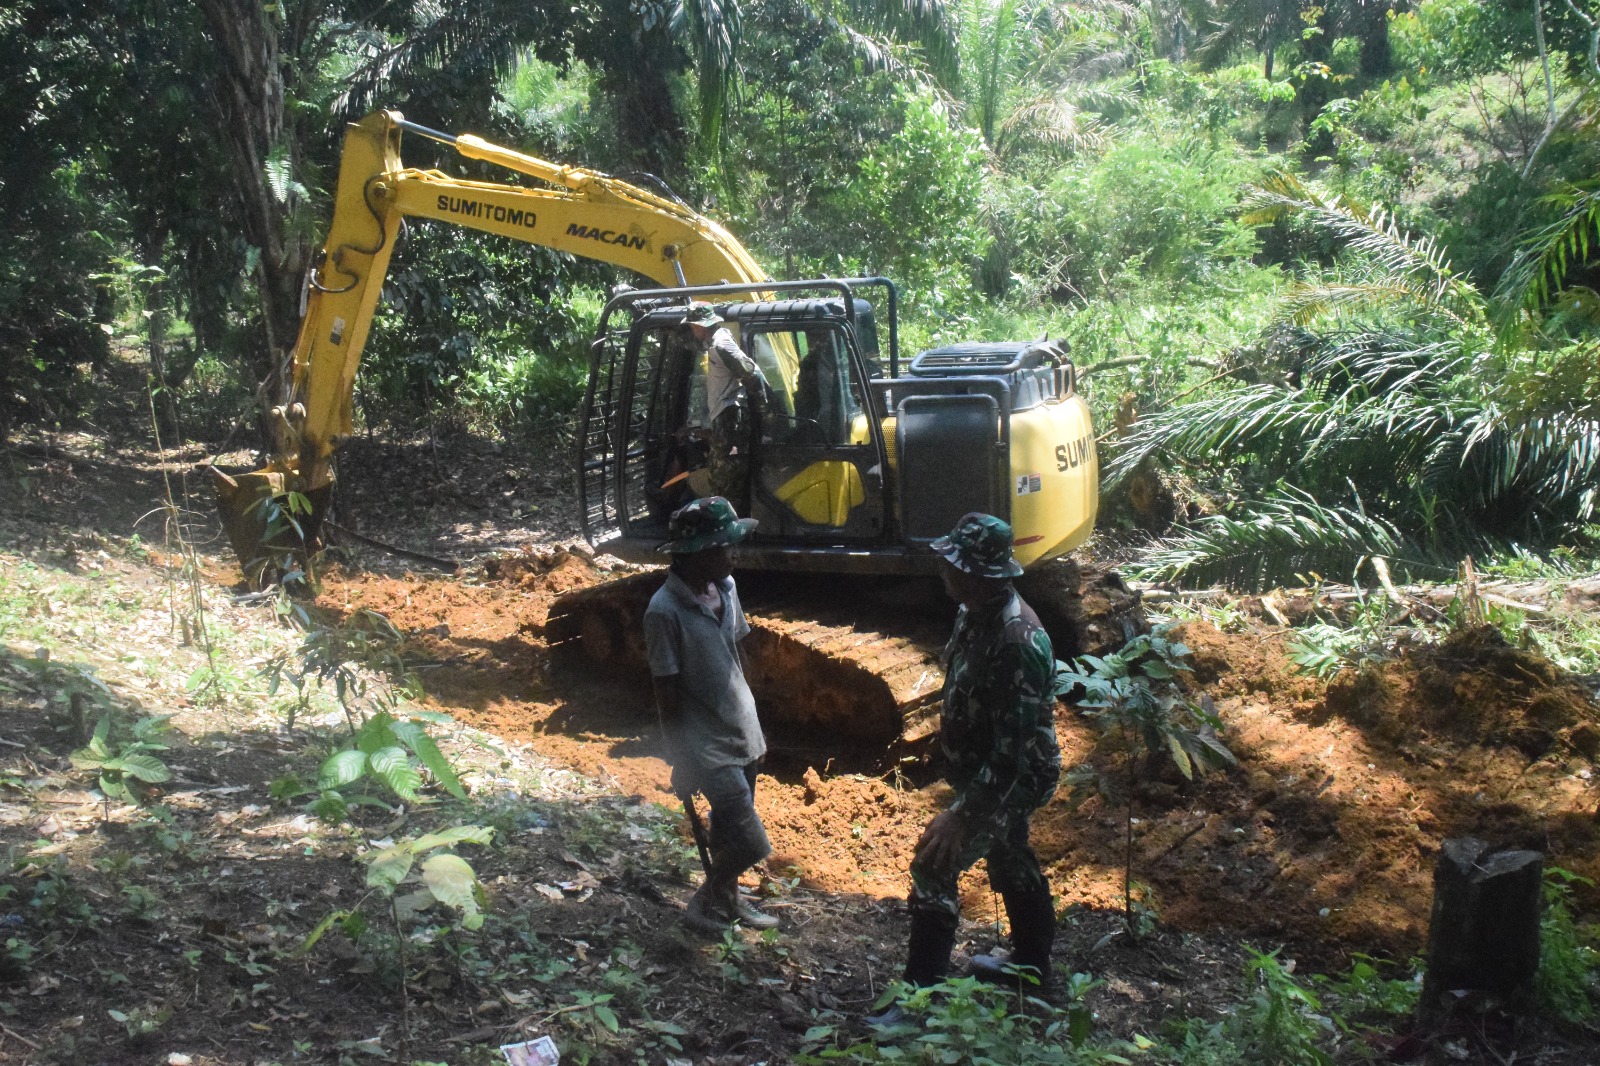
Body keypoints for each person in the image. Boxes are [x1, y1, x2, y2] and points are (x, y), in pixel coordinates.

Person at [872, 513, 1062, 1022]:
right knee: (1010, 852)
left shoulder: (1017, 642)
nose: (942, 569)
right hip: (987, 769)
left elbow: (1014, 754)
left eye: (952, 562)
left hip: (1012, 776)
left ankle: (919, 1003)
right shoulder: (974, 611)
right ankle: (1030, 967)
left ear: (982, 574)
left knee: (933, 864)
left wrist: (961, 815)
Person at [642, 495, 779, 932]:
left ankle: (728, 901)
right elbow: (666, 692)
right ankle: (702, 903)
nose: (734, 553)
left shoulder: (727, 589)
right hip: (706, 743)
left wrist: (753, 718)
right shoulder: (663, 612)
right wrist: (678, 756)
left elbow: (737, 651)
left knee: (726, 830)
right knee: (751, 842)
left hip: (741, 731)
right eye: (725, 545)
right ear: (697, 552)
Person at [683, 303, 770, 508]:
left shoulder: (721, 345)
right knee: (720, 481)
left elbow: (752, 374)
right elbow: (693, 345)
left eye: (691, 326)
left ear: (700, 326)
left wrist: (766, 413)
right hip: (725, 419)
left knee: (724, 485)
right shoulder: (712, 341)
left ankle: (731, 532)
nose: (691, 330)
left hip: (730, 420)